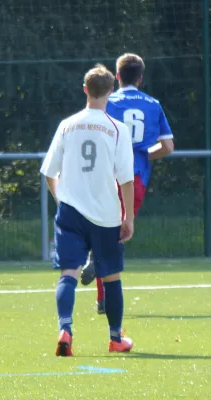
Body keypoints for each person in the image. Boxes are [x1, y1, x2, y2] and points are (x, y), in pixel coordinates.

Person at [40, 64, 135, 356]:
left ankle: (65, 329)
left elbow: (48, 171)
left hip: (70, 212)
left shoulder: (67, 125)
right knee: (111, 276)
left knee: (68, 272)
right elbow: (127, 179)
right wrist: (128, 217)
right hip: (105, 214)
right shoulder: (118, 129)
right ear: (110, 91)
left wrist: (61, 199)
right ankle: (116, 338)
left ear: (85, 90)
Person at [80, 53, 175, 314]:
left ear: (117, 76)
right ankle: (104, 298)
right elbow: (168, 146)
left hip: (106, 173)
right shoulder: (153, 104)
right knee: (116, 236)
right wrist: (144, 153)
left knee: (101, 232)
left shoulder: (108, 101)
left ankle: (102, 298)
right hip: (137, 177)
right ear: (141, 78)